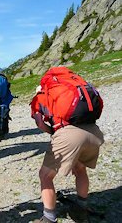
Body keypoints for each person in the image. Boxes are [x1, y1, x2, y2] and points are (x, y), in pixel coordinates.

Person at [31, 86, 104, 223]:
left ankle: (48, 218)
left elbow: (40, 123)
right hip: (94, 132)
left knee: (45, 176)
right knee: (80, 169)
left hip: (69, 136)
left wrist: (56, 133)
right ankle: (81, 209)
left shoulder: (39, 98)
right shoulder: (76, 91)